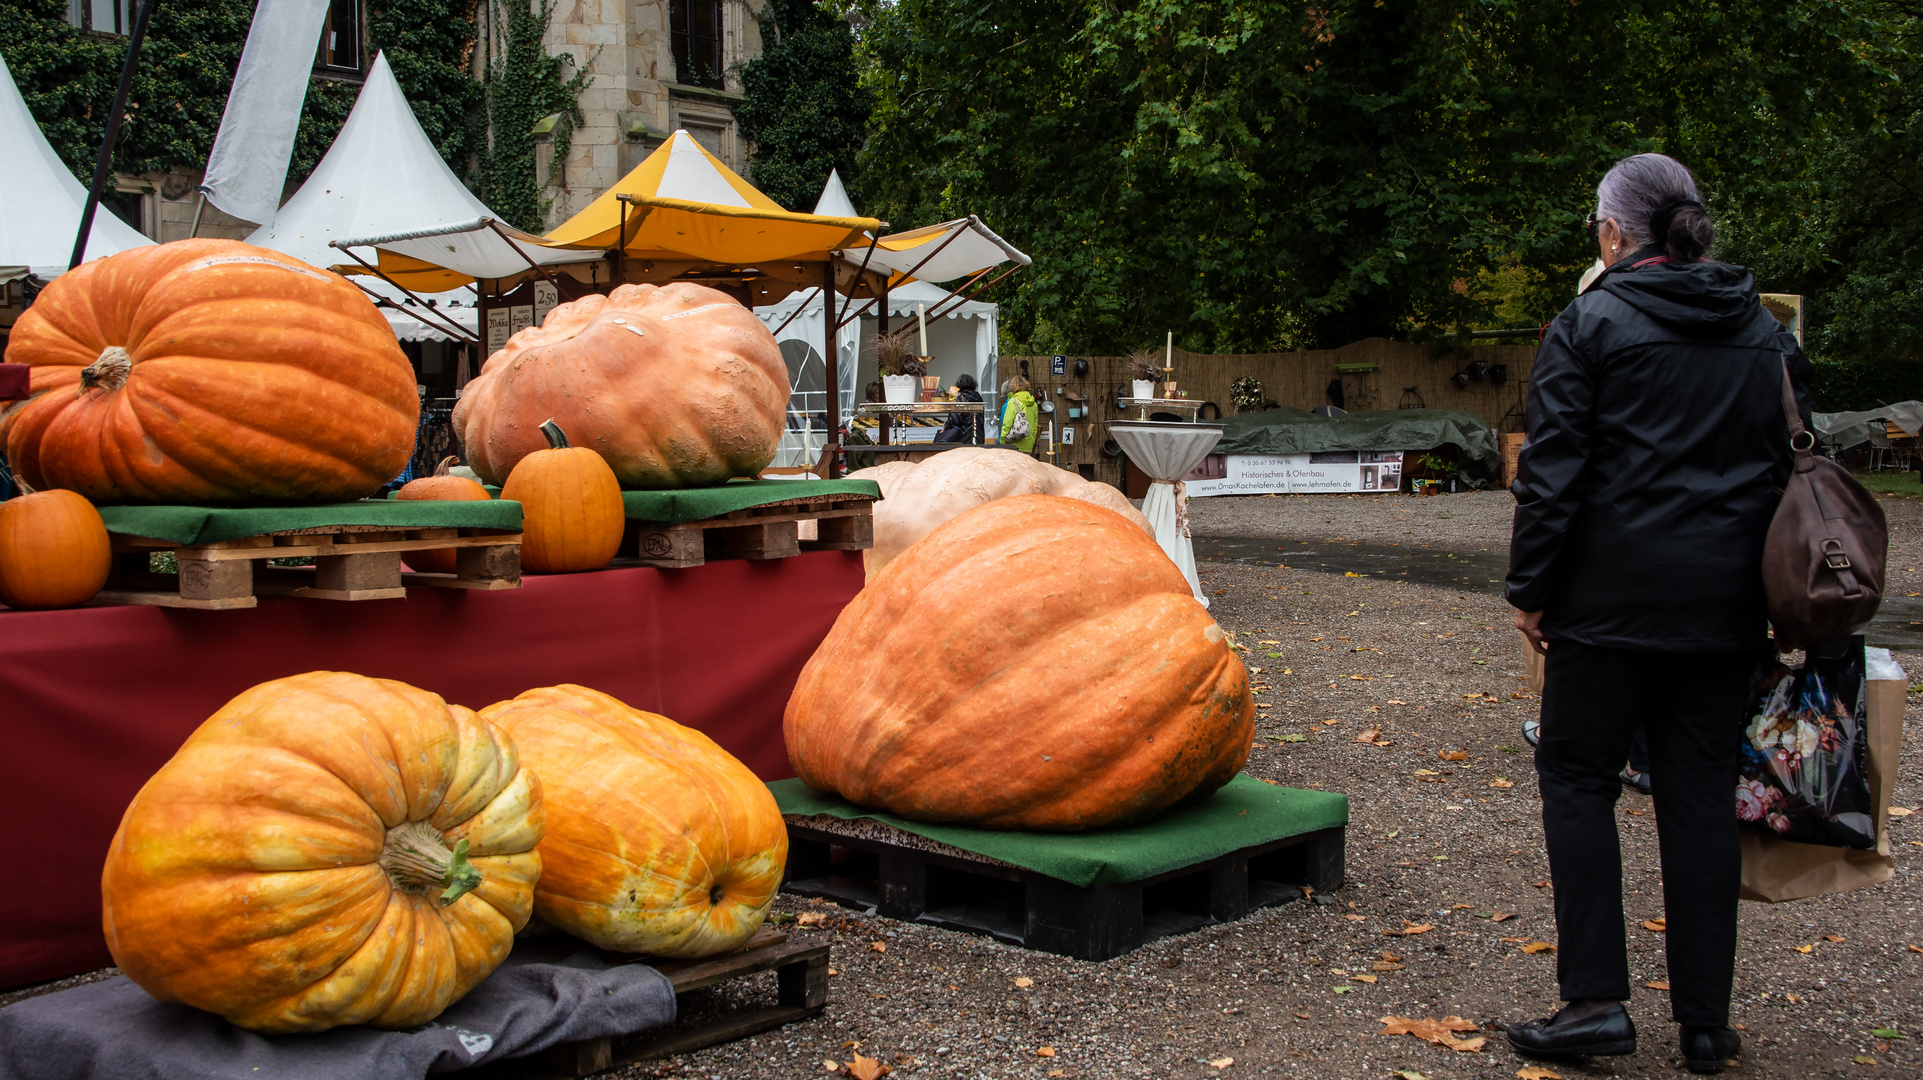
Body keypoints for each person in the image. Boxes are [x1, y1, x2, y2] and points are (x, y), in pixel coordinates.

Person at [1503, 153, 1809, 1075]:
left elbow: (1551, 476)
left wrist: (1529, 591)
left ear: (1610, 232)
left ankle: (1594, 1001)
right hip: (1724, 609)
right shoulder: (1762, 332)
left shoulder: (1589, 323)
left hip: (1605, 607)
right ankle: (1705, 1024)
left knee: (1577, 782)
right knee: (1697, 800)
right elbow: (1786, 463)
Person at [934, 373, 984, 443]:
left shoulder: (961, 399)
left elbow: (955, 419)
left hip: (964, 437)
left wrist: (946, 425)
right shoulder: (979, 398)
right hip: (978, 437)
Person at [998, 375, 1040, 455]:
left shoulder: (1012, 402)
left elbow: (1007, 423)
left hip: (1013, 444)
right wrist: (1032, 441)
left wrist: (1002, 441)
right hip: (1028, 444)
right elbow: (1035, 426)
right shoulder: (1033, 404)